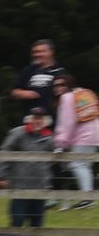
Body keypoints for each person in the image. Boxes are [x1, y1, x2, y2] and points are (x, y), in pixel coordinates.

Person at [0, 108, 55, 228]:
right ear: (29, 119)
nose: (37, 121)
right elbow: (4, 152)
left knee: (37, 223)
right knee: (17, 220)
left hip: (40, 186)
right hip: (20, 185)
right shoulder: (18, 133)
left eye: (40, 118)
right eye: (35, 118)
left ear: (46, 121)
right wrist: (2, 175)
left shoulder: (49, 137)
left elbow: (54, 158)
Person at [52, 74, 97, 210]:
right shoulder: (86, 93)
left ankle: (87, 198)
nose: (57, 88)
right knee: (85, 166)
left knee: (77, 164)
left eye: (61, 85)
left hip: (84, 135)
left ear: (69, 85)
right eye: (55, 85)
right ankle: (87, 197)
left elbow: (67, 122)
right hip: (95, 135)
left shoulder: (67, 98)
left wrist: (61, 143)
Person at [11, 39, 67, 121]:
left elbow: (67, 97)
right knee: (14, 133)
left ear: (51, 52)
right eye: (35, 52)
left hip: (51, 122)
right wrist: (23, 93)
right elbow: (14, 92)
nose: (37, 54)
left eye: (41, 51)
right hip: (28, 122)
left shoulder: (60, 72)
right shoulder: (28, 71)